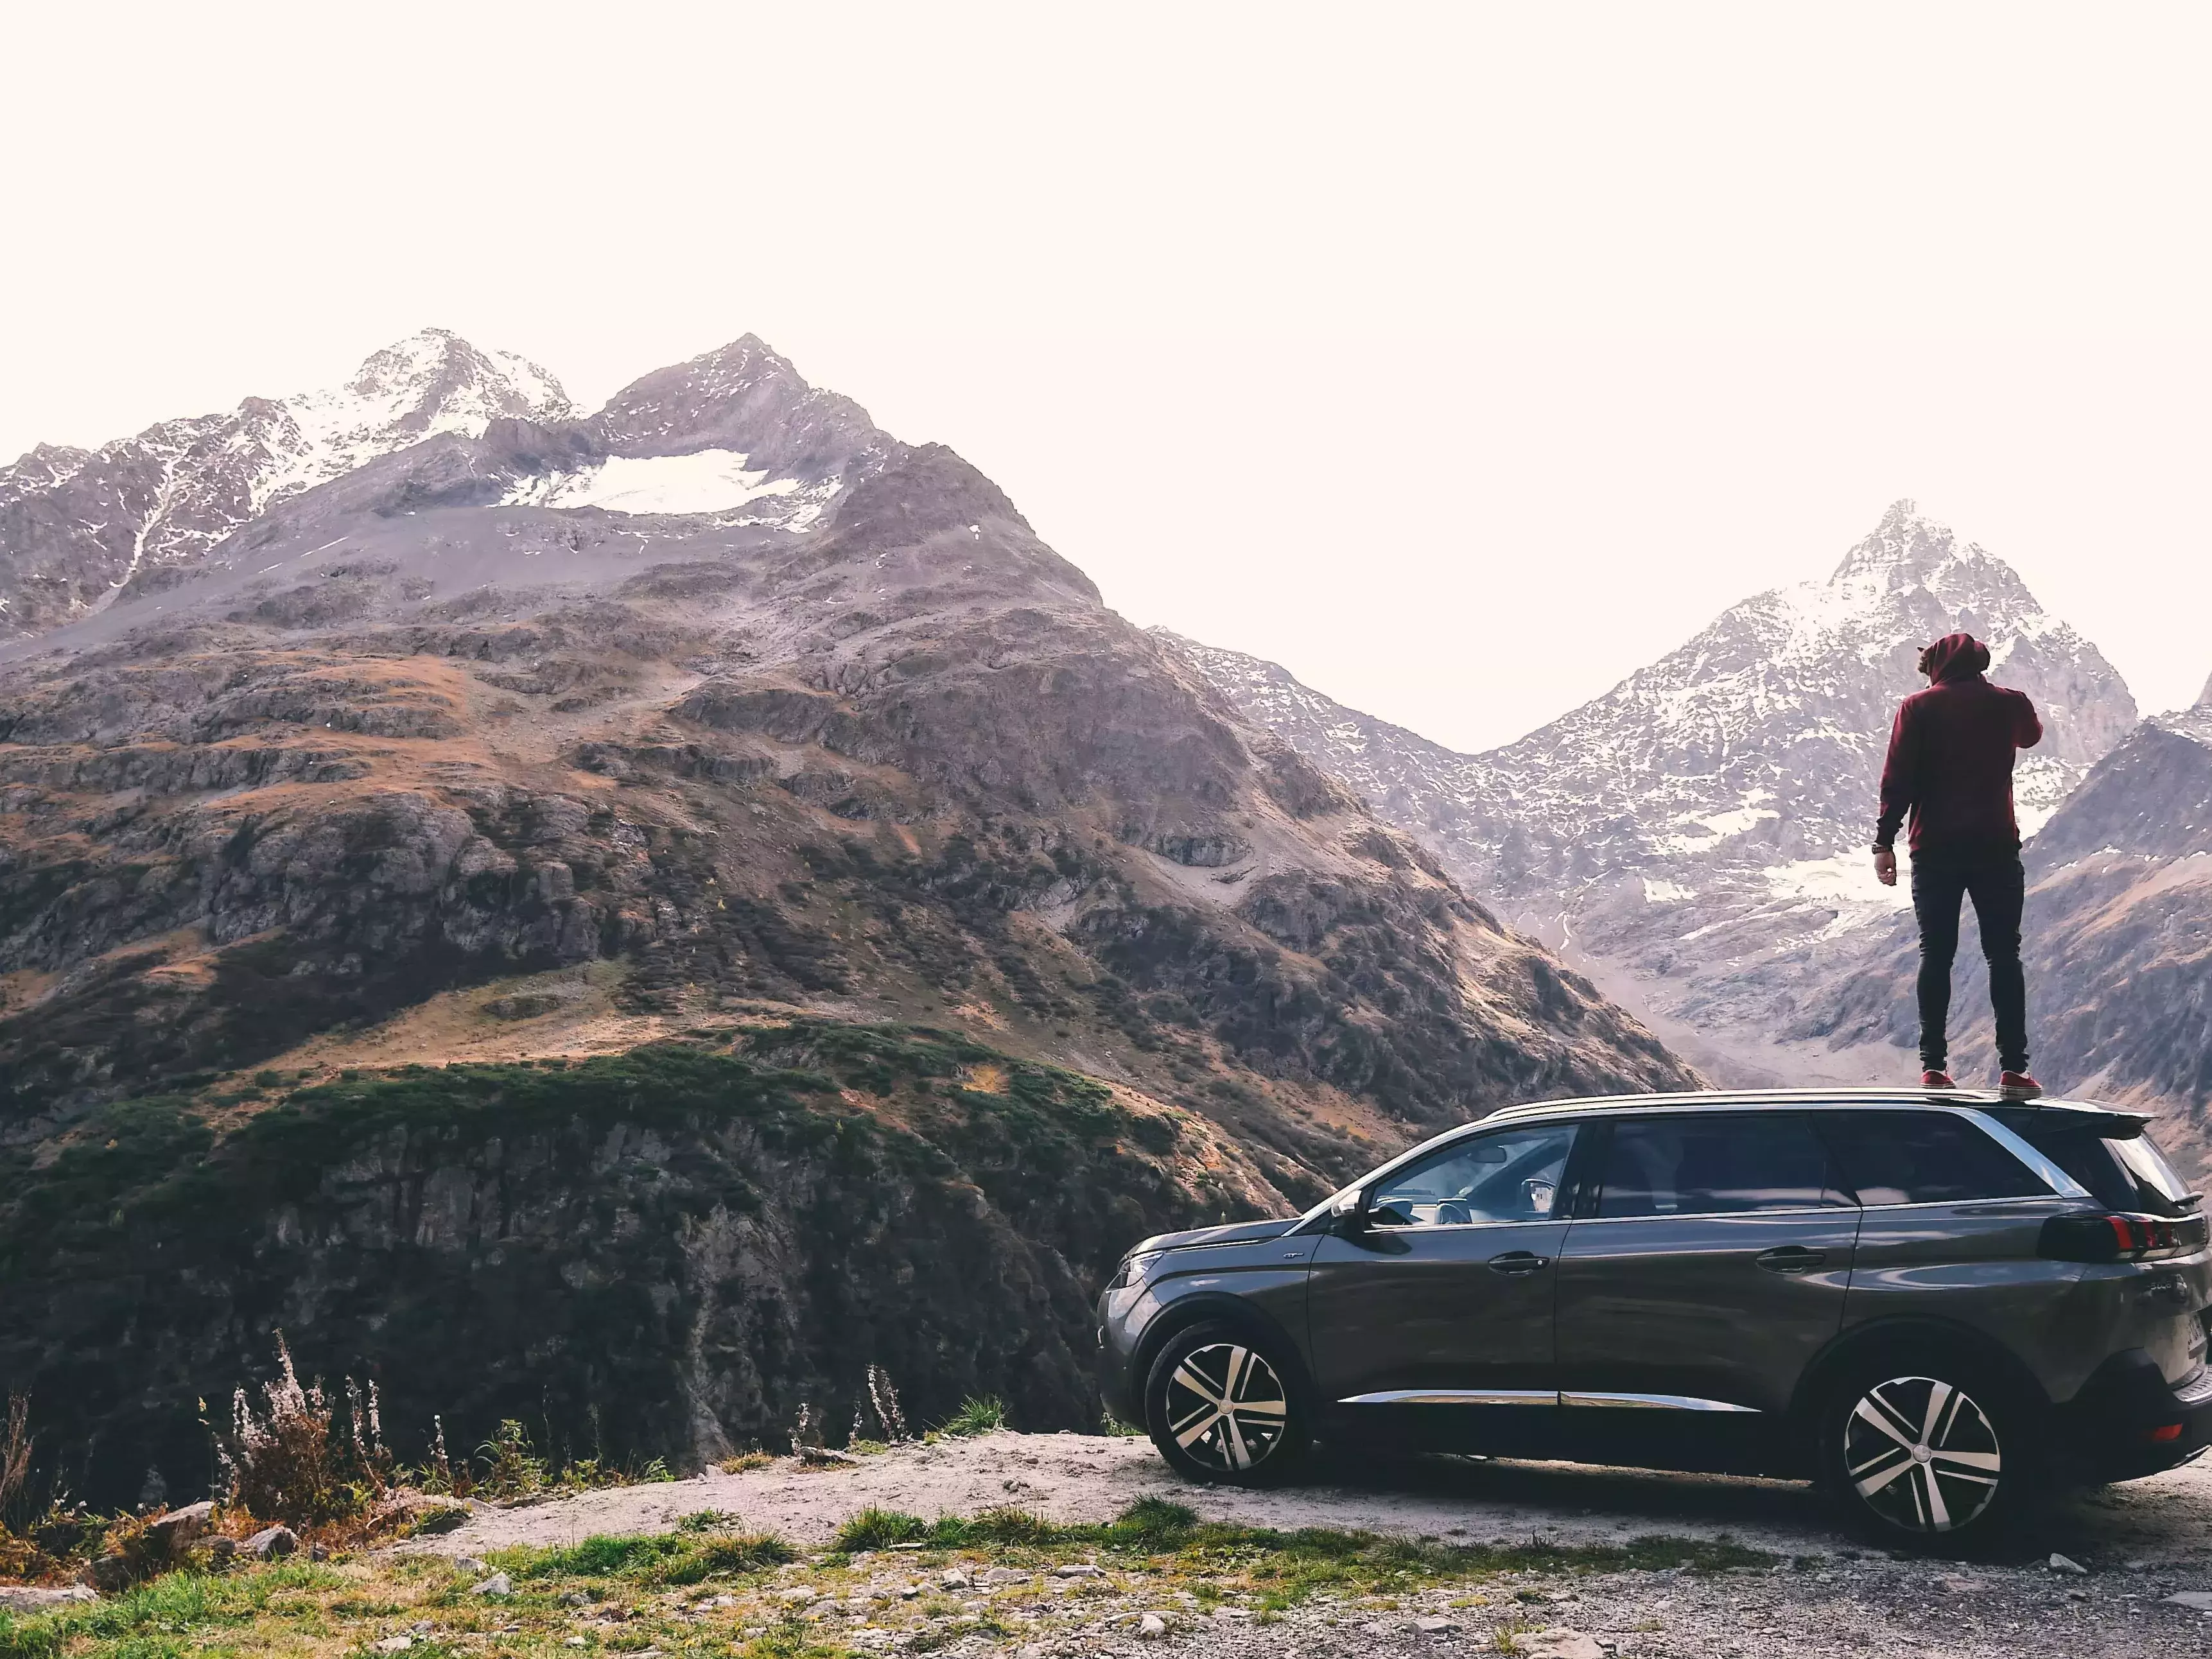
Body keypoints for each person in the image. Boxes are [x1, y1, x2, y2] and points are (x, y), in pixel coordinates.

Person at [1872, 632, 2043, 1097]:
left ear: (1934, 666)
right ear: (1980, 662)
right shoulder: (2009, 703)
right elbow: (2030, 737)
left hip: (1934, 848)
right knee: (2004, 955)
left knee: (1936, 954)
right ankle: (2013, 1070)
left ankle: (1933, 1068)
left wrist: (1882, 842)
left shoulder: (1917, 708)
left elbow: (1897, 778)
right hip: (1994, 845)